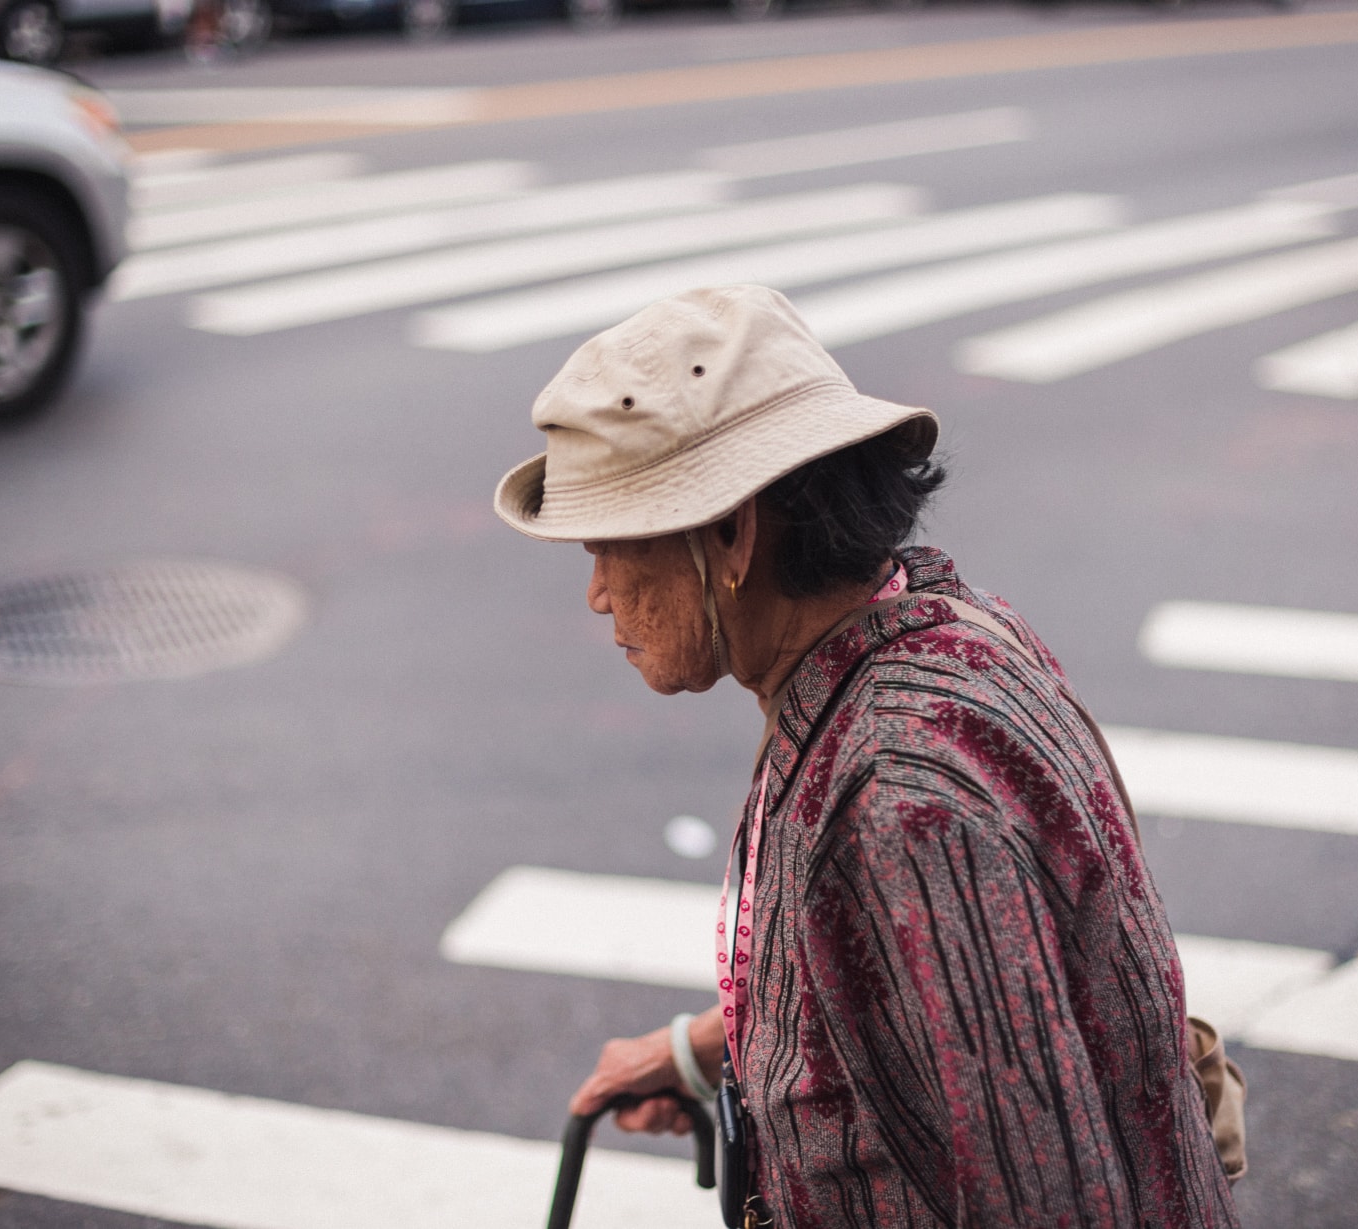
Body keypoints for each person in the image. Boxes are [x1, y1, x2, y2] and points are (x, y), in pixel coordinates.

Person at [493, 285, 1239, 1229]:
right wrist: (706, 1050)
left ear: (731, 530)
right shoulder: (934, 632)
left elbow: (1044, 1188)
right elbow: (942, 994)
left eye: (610, 544)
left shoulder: (897, 791)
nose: (598, 593)